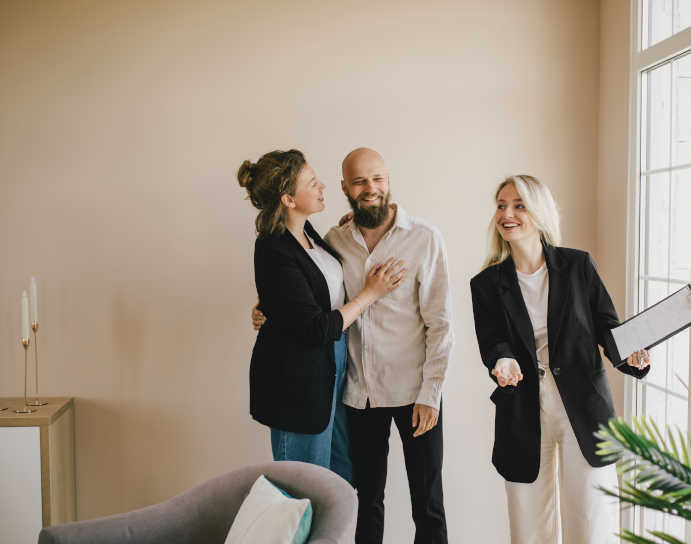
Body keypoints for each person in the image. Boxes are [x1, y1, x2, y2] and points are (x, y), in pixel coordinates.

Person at [253, 147, 454, 544]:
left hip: (417, 393)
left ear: (389, 180)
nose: (370, 188)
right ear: (346, 187)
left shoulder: (424, 239)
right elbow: (312, 302)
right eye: (359, 181)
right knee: (365, 499)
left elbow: (442, 324)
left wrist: (432, 393)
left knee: (427, 503)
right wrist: (271, 305)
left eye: (377, 178)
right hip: (357, 394)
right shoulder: (333, 239)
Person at [469, 175, 651, 544]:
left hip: (583, 402)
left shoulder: (578, 266)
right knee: (529, 525)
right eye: (502, 205)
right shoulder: (486, 284)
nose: (507, 213)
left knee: (591, 518)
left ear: (538, 211)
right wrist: (502, 361)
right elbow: (492, 341)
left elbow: (606, 327)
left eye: (519, 205)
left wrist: (633, 357)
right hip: (522, 404)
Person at [238, 149, 406, 485]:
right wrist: (371, 293)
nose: (322, 186)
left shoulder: (310, 233)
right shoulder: (273, 248)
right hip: (299, 388)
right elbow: (316, 327)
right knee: (305, 492)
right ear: (288, 198)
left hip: (333, 375)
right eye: (313, 183)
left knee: (341, 482)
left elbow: (312, 289)